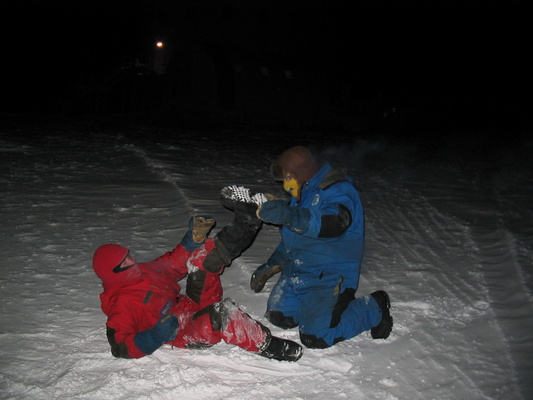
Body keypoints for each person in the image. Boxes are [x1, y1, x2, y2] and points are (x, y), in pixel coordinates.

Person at [92, 186, 303, 362]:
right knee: (222, 314)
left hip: (190, 306)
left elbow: (173, 263)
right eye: (125, 261)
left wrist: (190, 242)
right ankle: (270, 346)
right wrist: (156, 336)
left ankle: (247, 219)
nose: (132, 260)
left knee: (202, 260)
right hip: (184, 331)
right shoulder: (121, 304)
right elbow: (120, 347)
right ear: (114, 273)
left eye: (128, 255)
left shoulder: (144, 271)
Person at [250, 145, 393, 349]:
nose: (284, 184)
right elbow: (292, 238)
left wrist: (291, 216)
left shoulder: (338, 190)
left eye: (287, 178)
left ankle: (375, 307)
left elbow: (333, 223)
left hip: (331, 275)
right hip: (301, 272)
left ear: (300, 174)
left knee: (315, 337)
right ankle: (312, 308)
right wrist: (273, 263)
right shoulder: (302, 193)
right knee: (279, 317)